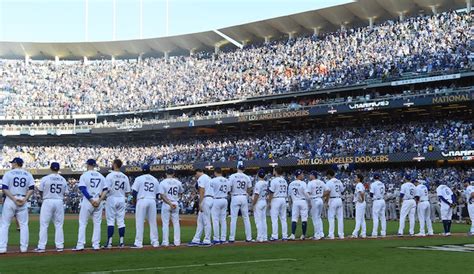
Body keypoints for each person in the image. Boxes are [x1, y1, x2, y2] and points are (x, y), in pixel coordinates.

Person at [0, 158, 35, 254]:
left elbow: (4, 188)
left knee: (4, 224)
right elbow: (32, 188)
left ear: (15, 163)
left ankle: (2, 248)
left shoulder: (8, 173)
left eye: (12, 163)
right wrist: (25, 199)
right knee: (24, 225)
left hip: (11, 199)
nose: (11, 164)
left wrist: (13, 199)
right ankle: (24, 248)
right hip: (23, 199)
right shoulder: (28, 174)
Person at [74, 159, 108, 251]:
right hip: (98, 200)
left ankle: (80, 245)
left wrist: (91, 200)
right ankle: (96, 244)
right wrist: (100, 200)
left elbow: (83, 189)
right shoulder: (101, 176)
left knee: (83, 223)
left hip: (88, 201)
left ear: (87, 165)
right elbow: (105, 190)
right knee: (97, 223)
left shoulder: (84, 175)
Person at [35, 162, 68, 253]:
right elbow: (66, 192)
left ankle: (41, 246)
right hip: (59, 201)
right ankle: (60, 245)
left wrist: (44, 197)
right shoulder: (63, 179)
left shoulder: (45, 178)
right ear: (58, 169)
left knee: (44, 224)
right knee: (59, 225)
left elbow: (40, 191)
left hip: (48, 200)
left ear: (50, 168)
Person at [131, 164, 160, 248]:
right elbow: (158, 194)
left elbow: (134, 192)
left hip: (142, 199)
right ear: (149, 170)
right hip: (152, 200)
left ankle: (139, 242)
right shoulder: (155, 179)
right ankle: (155, 242)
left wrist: (134, 202)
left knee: (139, 222)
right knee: (153, 222)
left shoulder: (139, 178)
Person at [104, 159, 131, 248]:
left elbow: (106, 189)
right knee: (121, 221)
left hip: (112, 198)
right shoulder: (125, 176)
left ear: (115, 164)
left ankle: (110, 242)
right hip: (121, 198)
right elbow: (128, 192)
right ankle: (121, 242)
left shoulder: (110, 176)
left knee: (110, 221)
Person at [188, 168, 214, 247]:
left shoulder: (202, 178)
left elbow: (202, 191)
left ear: (198, 172)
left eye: (195, 174)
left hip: (206, 199)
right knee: (200, 220)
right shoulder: (208, 178)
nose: (195, 176)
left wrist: (200, 203)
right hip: (210, 198)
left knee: (206, 220)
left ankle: (207, 240)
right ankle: (196, 239)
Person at [159, 168, 184, 247]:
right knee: (176, 223)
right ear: (173, 174)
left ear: (166, 174)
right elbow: (181, 192)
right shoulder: (178, 182)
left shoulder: (163, 182)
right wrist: (176, 200)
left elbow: (162, 195)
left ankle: (165, 242)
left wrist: (169, 203)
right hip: (175, 203)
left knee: (165, 223)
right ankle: (177, 242)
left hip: (167, 203)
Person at [228, 164, 253, 243]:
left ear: (237, 168)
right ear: (244, 169)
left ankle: (232, 238)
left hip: (235, 196)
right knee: (246, 218)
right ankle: (249, 237)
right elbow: (250, 188)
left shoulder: (232, 176)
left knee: (233, 218)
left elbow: (229, 188)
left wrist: (231, 193)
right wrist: (247, 194)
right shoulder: (246, 177)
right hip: (243, 196)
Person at [209, 167, 230, 244]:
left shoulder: (213, 180)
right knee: (223, 220)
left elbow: (210, 191)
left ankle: (216, 238)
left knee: (215, 220)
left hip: (216, 200)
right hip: (224, 199)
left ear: (215, 172)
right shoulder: (227, 180)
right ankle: (223, 238)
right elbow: (228, 191)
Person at [268, 167, 288, 241]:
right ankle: (285, 236)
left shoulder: (274, 180)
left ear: (275, 171)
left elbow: (271, 192)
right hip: (283, 199)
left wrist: (269, 202)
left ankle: (275, 236)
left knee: (274, 219)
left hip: (276, 199)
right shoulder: (284, 181)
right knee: (283, 219)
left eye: (274, 170)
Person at [324, 169, 345, 240]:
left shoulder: (329, 182)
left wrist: (326, 202)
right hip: (339, 199)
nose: (327, 177)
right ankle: (341, 235)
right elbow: (342, 191)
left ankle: (331, 235)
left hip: (332, 199)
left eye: (327, 175)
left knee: (331, 218)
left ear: (329, 175)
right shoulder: (339, 181)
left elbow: (328, 192)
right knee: (340, 218)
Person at [288, 170, 309, 240]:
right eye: (302, 174)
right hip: (302, 201)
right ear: (299, 175)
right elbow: (306, 193)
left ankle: (293, 234)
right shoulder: (303, 183)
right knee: (304, 218)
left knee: (294, 218)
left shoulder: (291, 183)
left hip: (295, 201)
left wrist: (290, 203)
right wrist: (309, 200)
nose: (303, 175)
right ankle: (303, 235)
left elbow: (289, 195)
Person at [306, 170, 327, 240]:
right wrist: (321, 196)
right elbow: (328, 190)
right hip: (320, 199)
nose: (309, 176)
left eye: (310, 175)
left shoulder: (311, 183)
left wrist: (309, 202)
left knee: (315, 218)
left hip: (314, 200)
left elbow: (308, 193)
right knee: (319, 217)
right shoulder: (321, 182)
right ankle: (321, 234)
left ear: (313, 175)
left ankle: (317, 235)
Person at [252, 169, 268, 243]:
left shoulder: (258, 183)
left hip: (259, 202)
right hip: (264, 201)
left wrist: (253, 204)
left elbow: (256, 195)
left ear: (258, 175)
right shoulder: (266, 183)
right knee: (263, 220)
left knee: (258, 221)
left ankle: (260, 237)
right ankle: (265, 237)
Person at [370, 173, 386, 238]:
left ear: (374, 178)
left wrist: (373, 197)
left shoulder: (373, 184)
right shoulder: (382, 184)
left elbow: (371, 194)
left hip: (377, 201)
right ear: (379, 177)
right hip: (382, 200)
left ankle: (375, 233)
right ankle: (383, 232)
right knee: (383, 217)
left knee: (375, 217)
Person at [351, 174, 366, 238]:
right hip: (361, 203)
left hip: (360, 203)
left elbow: (361, 193)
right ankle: (363, 233)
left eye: (356, 177)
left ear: (359, 179)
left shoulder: (359, 184)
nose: (355, 178)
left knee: (358, 219)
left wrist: (362, 199)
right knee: (362, 219)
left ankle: (355, 233)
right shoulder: (360, 184)